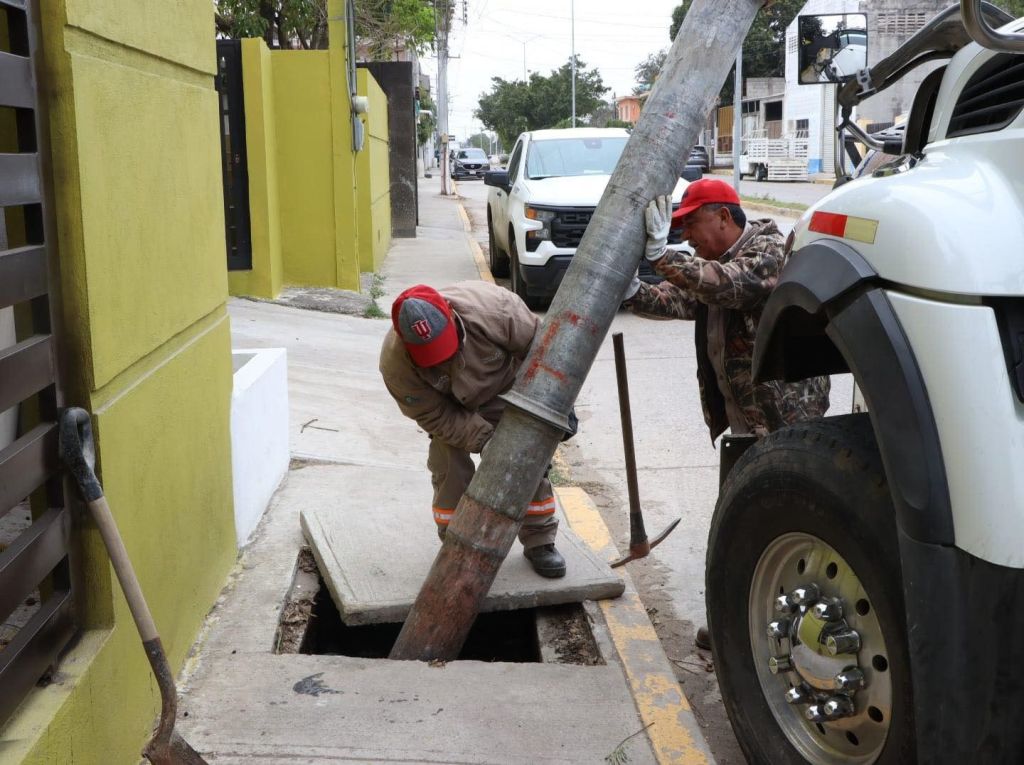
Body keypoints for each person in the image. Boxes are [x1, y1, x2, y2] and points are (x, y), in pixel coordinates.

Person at [623, 178, 831, 648]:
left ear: (722, 215)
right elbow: (683, 298)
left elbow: (732, 288)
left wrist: (662, 257)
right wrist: (635, 289)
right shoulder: (716, 264)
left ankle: (792, 629)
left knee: (789, 526)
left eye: (691, 224)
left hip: (784, 425)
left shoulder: (768, 251)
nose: (688, 237)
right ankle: (737, 621)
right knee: (740, 526)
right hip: (745, 426)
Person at [379, 282, 567, 578]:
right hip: (450, 408)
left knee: (527, 453)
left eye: (443, 347)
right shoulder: (395, 364)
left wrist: (561, 405)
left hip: (504, 390)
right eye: (430, 355)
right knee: (448, 465)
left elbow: (546, 355)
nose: (442, 359)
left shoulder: (497, 310)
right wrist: (484, 440)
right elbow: (432, 413)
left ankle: (540, 540)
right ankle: (456, 546)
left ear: (452, 315)